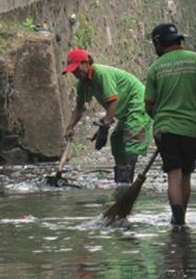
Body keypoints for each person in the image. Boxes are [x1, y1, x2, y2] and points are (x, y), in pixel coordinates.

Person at [145, 23, 196, 227]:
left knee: (173, 176)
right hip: (192, 129)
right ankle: (182, 219)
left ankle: (177, 222)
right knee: (186, 175)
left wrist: (159, 122)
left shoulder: (155, 68)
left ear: (158, 43)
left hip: (165, 128)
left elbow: (148, 106)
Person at [63, 49, 152, 185]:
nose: (76, 74)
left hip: (138, 103)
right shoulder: (82, 84)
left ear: (86, 64)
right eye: (73, 72)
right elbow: (79, 108)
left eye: (77, 69)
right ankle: (121, 180)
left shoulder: (101, 74)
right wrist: (70, 127)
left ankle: (127, 181)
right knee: (116, 139)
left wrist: (104, 128)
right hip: (124, 111)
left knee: (132, 140)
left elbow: (113, 102)